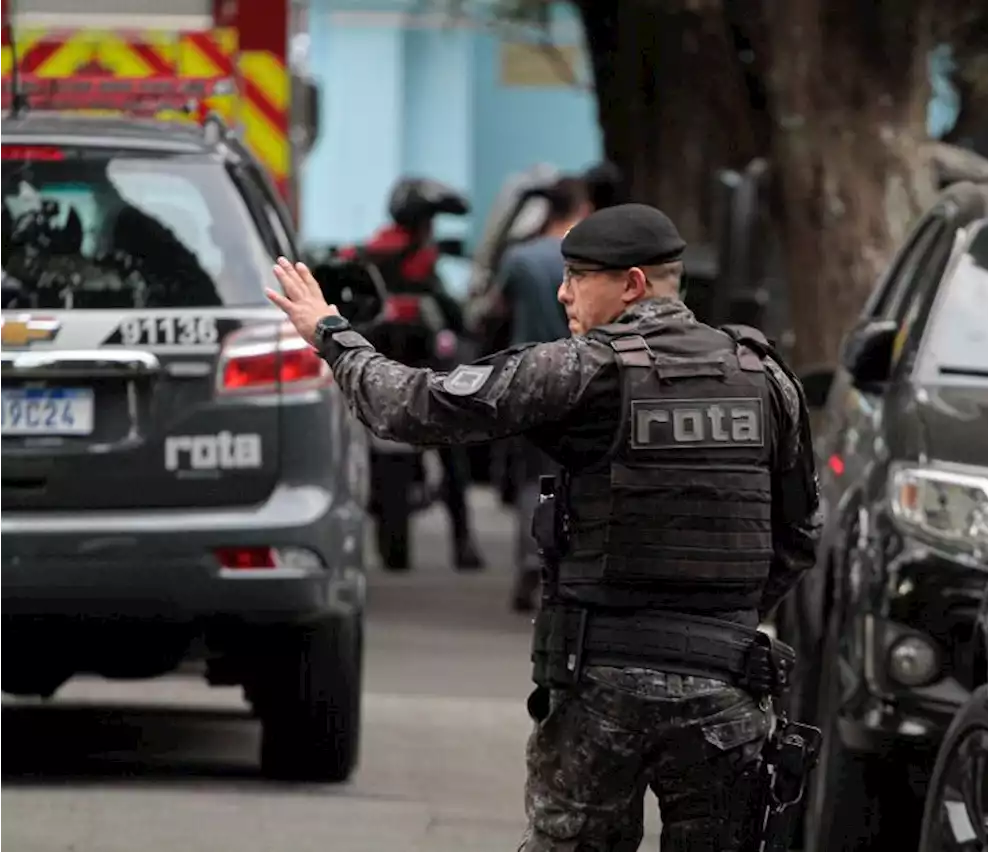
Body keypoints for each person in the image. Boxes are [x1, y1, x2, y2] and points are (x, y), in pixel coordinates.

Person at [266, 203, 821, 850]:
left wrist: (332, 333)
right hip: (730, 694)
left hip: (603, 690)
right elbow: (799, 536)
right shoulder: (766, 378)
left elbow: (413, 406)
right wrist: (719, 625)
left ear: (632, 284)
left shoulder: (585, 368)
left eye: (578, 276)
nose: (561, 292)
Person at [342, 177, 484, 571]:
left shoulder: (368, 255)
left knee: (385, 457)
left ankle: (396, 550)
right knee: (454, 453)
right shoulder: (420, 260)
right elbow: (456, 318)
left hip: (381, 375)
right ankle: (464, 544)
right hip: (429, 375)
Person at [496, 176, 591, 611]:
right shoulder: (591, 261)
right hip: (584, 379)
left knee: (533, 477)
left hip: (529, 379)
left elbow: (493, 311)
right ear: (583, 208)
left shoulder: (520, 258)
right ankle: (570, 563)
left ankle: (531, 558)